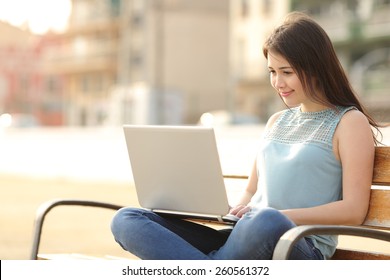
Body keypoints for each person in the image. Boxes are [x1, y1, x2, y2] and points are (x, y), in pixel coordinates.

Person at [110, 12, 382, 260]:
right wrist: (232, 211)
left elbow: (354, 209)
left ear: (316, 67)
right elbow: (251, 191)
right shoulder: (277, 121)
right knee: (127, 219)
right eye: (272, 72)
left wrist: (277, 216)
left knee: (266, 222)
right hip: (242, 235)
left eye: (287, 72)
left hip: (296, 243)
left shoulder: (348, 122)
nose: (278, 83)